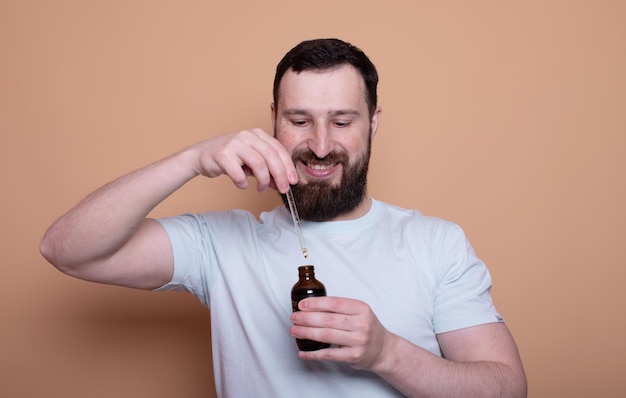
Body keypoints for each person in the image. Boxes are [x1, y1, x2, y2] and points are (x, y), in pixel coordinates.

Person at [40, 38, 527, 397]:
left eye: (342, 122)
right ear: (274, 119)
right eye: (299, 121)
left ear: (373, 122)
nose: (319, 146)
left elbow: (507, 388)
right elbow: (65, 249)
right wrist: (190, 160)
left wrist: (387, 354)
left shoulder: (435, 243)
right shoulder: (221, 243)